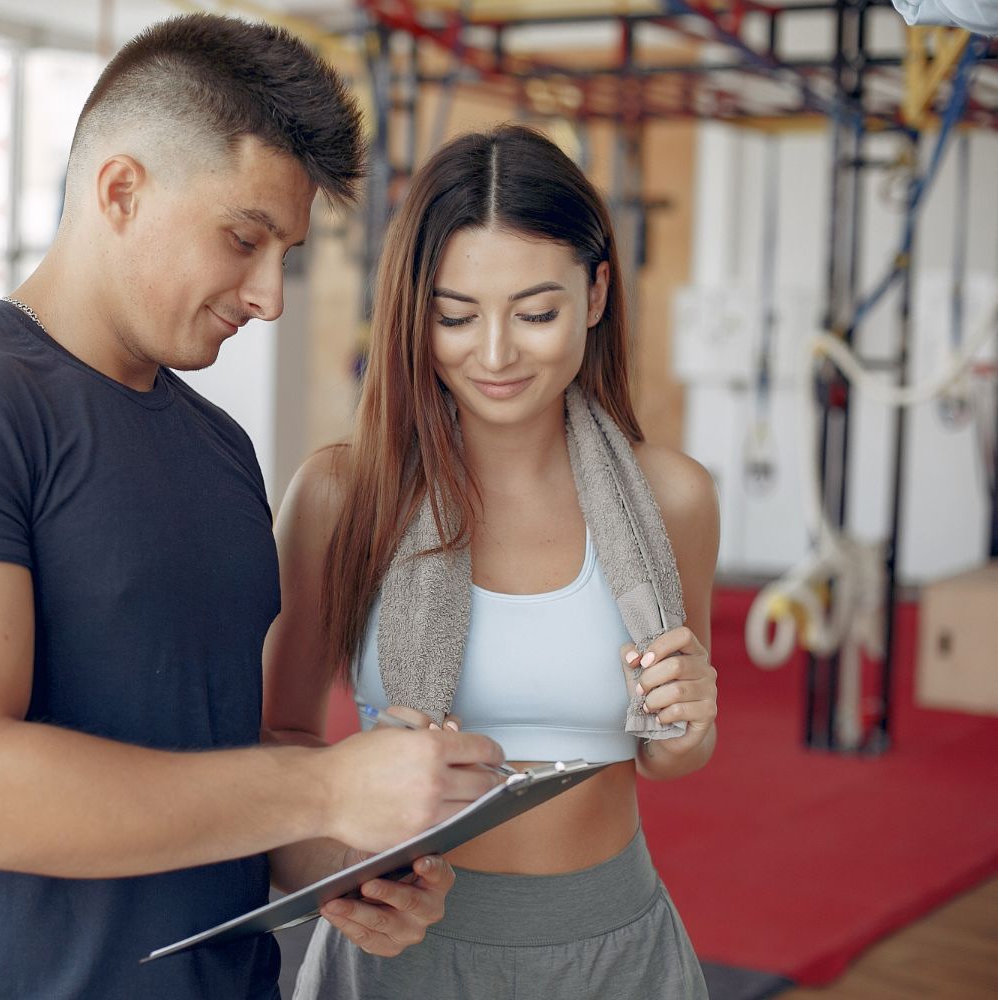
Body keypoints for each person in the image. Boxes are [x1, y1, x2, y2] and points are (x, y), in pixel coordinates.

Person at [0, 15, 507, 1000]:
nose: (269, 294)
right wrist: (326, 787)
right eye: (244, 238)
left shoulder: (220, 450)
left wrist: (349, 850)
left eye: (287, 254)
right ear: (122, 190)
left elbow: (213, 767)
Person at [264, 124, 719, 999]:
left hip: (616, 950)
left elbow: (670, 750)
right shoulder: (338, 494)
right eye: (456, 316)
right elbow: (278, 744)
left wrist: (690, 729)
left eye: (537, 312)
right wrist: (344, 874)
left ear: (595, 294)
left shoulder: (675, 498)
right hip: (397, 953)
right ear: (412, 311)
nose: (498, 353)